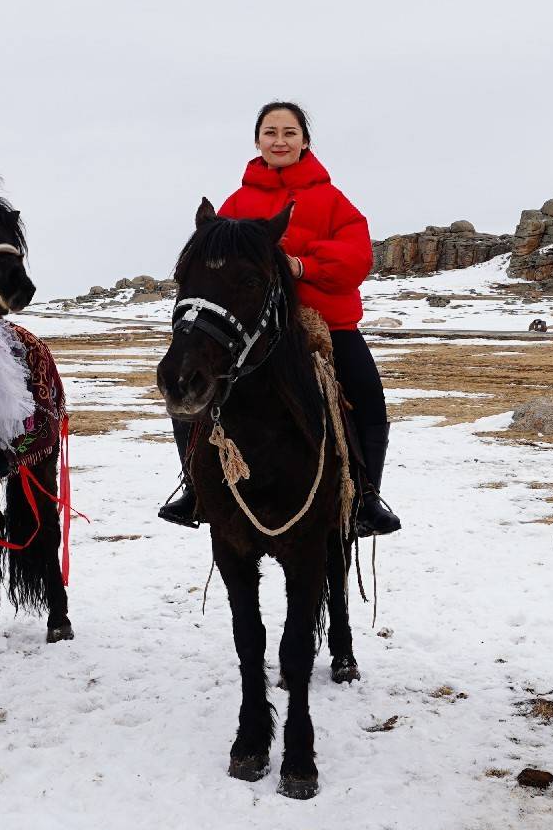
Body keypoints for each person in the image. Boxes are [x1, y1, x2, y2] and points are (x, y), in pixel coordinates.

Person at [158, 102, 402, 537]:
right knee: (187, 381)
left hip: (326, 324)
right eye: (270, 132)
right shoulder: (237, 202)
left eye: (290, 132)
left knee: (367, 391)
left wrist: (303, 266)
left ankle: (366, 496)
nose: (280, 140)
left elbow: (357, 256)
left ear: (305, 141)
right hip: (256, 328)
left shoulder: (331, 199)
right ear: (257, 142)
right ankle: (194, 485)